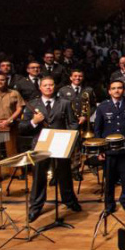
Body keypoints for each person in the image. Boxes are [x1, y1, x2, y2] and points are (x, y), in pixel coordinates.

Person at [18, 77, 81, 221]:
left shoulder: (64, 103)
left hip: (61, 144)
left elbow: (73, 124)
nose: (48, 87)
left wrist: (69, 140)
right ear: (40, 88)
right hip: (40, 145)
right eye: (45, 85)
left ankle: (69, 200)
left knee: (64, 175)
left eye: (51, 85)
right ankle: (35, 207)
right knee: (39, 176)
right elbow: (22, 127)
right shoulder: (31, 105)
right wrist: (34, 121)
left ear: (55, 87)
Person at [94, 80, 125, 214]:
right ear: (109, 91)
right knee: (109, 179)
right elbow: (97, 130)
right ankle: (109, 204)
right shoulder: (102, 107)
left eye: (119, 88)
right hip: (108, 149)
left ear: (123, 90)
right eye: (113, 88)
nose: (116, 90)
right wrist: (100, 149)